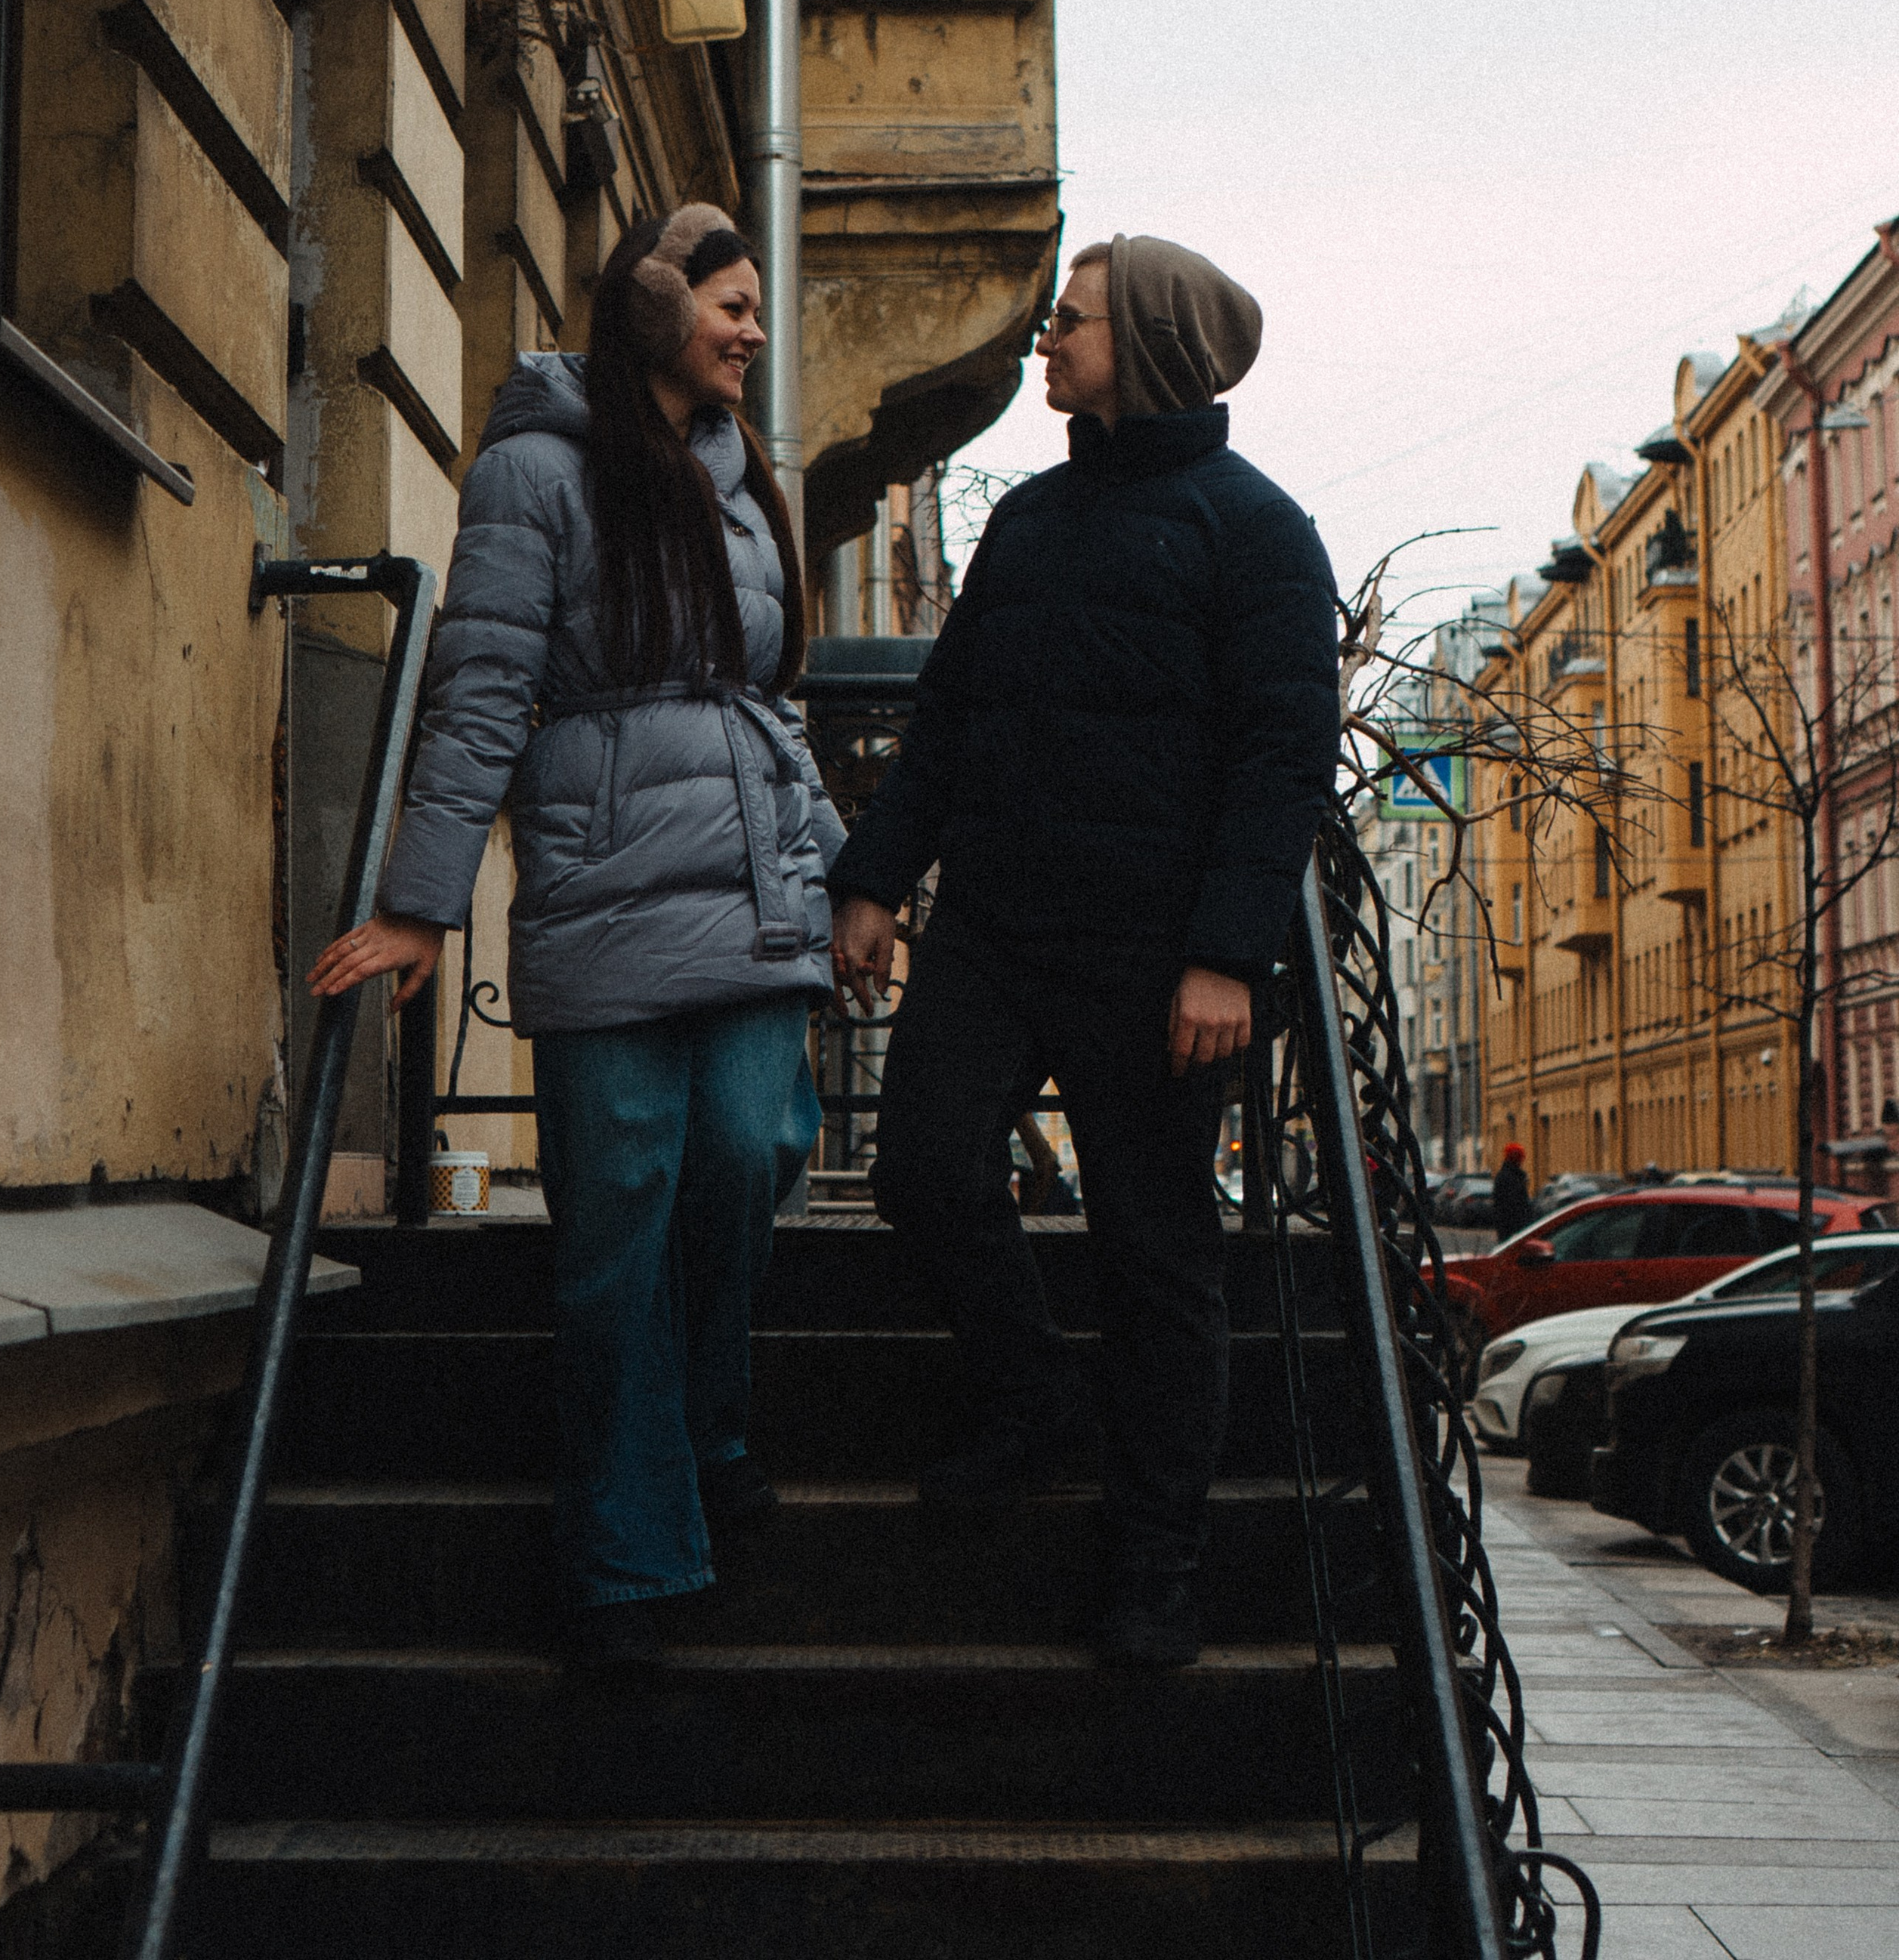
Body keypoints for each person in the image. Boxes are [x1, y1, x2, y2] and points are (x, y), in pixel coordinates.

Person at [307, 205, 842, 1668]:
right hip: (605, 892)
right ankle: (626, 1557)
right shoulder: (535, 471)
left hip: (750, 891)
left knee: (749, 1157)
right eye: (730, 305)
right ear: (655, 307)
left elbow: (768, 712)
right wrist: (421, 904)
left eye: (754, 310)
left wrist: (846, 878)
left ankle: (712, 1434)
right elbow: (480, 690)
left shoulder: (741, 478)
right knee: (614, 1226)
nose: (749, 332)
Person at [829, 234, 1340, 1668]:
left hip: (1159, 958)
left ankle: (1155, 1561)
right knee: (923, 1169)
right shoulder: (1031, 522)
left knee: (1157, 1256)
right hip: (993, 929)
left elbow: (1282, 758)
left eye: (1073, 319)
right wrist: (873, 879)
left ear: (1154, 343)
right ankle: (1034, 1398)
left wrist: (1229, 954)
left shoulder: (1257, 530)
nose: (1047, 339)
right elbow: (947, 722)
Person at [1491, 1144, 1532, 1240]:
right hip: (1513, 1224)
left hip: (1506, 1224)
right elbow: (1516, 1202)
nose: (1521, 1160)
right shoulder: (1513, 1177)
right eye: (1520, 1157)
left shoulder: (1504, 1176)